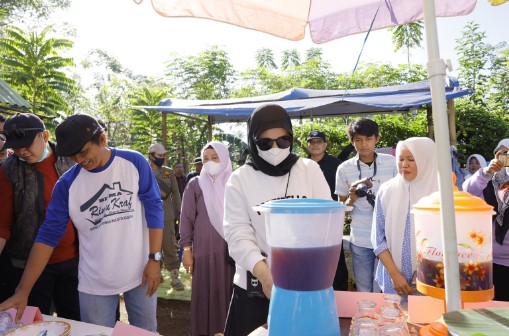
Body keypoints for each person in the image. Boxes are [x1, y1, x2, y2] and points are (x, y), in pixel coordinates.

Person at [0, 114, 164, 331]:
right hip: (95, 282)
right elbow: (47, 236)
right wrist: (23, 290)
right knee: (95, 333)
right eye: (72, 155)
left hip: (140, 271)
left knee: (146, 331)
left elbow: (154, 208)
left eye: (83, 152)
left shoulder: (134, 162)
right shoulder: (66, 185)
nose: (79, 160)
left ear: (102, 139)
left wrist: (154, 258)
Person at [223, 104, 331, 336]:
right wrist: (265, 274)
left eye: (282, 141)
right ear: (253, 141)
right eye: (265, 142)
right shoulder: (239, 179)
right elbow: (237, 233)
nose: (275, 148)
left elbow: (325, 221)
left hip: (305, 283)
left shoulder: (309, 170)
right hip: (256, 286)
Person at [0, 113, 80, 319]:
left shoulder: (72, 161)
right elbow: (3, 225)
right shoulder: (7, 171)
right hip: (28, 267)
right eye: (15, 147)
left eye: (26, 144)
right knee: (34, 323)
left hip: (75, 261)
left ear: (44, 136)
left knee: (77, 321)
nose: (21, 151)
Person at [372, 137, 438, 301]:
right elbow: (378, 238)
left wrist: (425, 272)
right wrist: (395, 275)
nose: (404, 164)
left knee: (427, 324)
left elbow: (450, 240)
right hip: (393, 279)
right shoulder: (386, 191)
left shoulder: (442, 194)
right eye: (400, 159)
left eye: (411, 159)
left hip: (432, 278)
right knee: (395, 323)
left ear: (427, 161)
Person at [335, 118, 397, 293]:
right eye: (358, 140)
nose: (363, 144)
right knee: (363, 289)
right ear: (351, 141)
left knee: (389, 288)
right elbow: (342, 211)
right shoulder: (344, 169)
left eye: (368, 139)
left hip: (388, 237)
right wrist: (352, 198)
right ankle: (367, 320)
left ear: (377, 139)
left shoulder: (392, 163)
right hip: (360, 239)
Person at [180, 141, 235, 336]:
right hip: (203, 250)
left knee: (228, 291)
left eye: (214, 157)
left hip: (230, 250)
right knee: (204, 292)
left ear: (225, 158)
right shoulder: (195, 184)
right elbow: (186, 218)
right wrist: (186, 250)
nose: (210, 162)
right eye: (205, 159)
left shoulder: (235, 181)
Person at [463, 141, 509, 301]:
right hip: (490, 262)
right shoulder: (487, 182)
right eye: (502, 153)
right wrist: (488, 171)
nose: (505, 158)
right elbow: (468, 191)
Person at [307, 130, 349, 291]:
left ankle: (340, 291)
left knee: (336, 256)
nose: (315, 145)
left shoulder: (336, 164)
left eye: (319, 142)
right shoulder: (302, 165)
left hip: (331, 218)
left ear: (325, 144)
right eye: (312, 142)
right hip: (308, 220)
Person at [148, 143, 184, 291]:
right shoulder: (143, 171)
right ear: (151, 155)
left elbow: (175, 193)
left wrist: (181, 211)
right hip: (148, 214)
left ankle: (174, 276)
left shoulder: (168, 173)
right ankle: (157, 271)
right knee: (150, 246)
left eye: (163, 155)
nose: (162, 158)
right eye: (159, 155)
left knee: (169, 243)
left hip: (166, 213)